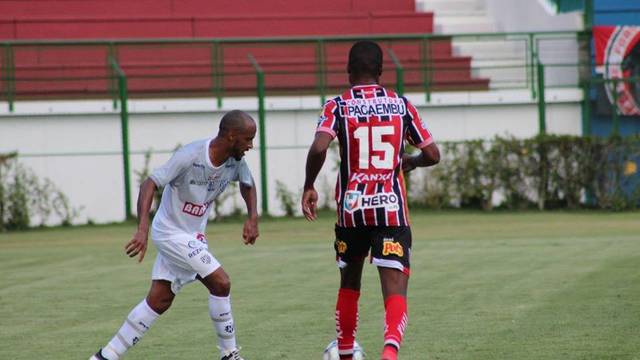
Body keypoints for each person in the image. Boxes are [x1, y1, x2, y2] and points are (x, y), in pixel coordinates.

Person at [301, 41, 440, 360]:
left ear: (349, 71)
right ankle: (389, 353)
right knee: (395, 288)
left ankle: (347, 354)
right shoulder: (401, 105)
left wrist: (309, 184)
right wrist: (409, 161)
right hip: (391, 210)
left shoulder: (337, 106)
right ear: (380, 71)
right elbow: (432, 154)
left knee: (349, 283)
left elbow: (319, 147)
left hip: (351, 212)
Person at [90, 110, 259, 360]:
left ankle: (105, 356)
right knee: (221, 283)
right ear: (232, 135)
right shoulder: (190, 156)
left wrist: (252, 217)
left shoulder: (235, 162)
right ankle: (229, 354)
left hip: (192, 236)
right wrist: (142, 229)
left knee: (159, 299)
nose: (250, 146)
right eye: (247, 139)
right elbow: (150, 183)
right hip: (169, 233)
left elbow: (247, 183)